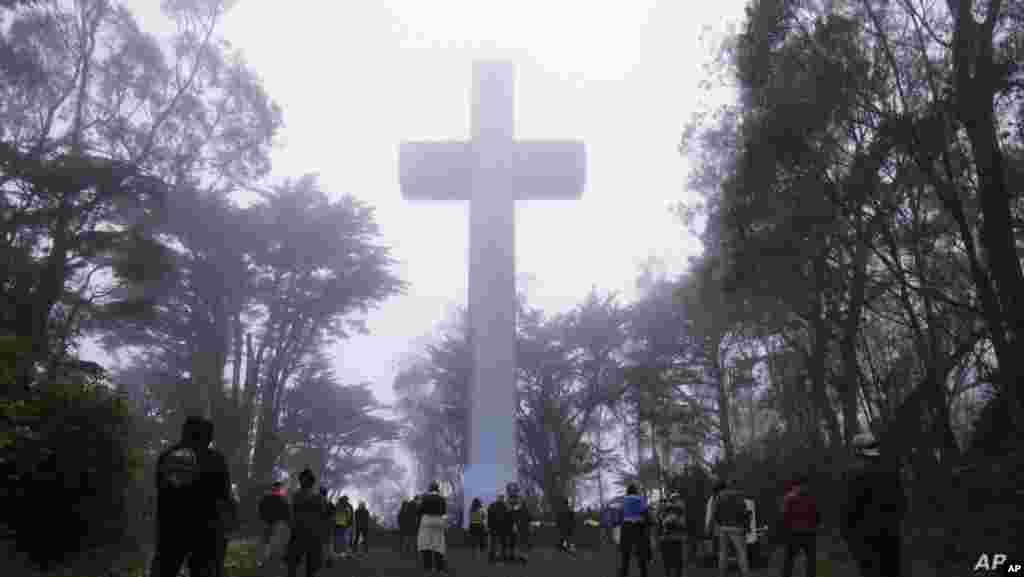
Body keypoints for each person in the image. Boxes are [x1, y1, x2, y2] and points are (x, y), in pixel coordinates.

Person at [151, 416, 232, 577]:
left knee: (165, 568)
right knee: (203, 570)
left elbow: (160, 487)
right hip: (205, 528)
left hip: (171, 525)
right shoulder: (215, 460)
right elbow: (223, 494)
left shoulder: (167, 456)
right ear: (206, 436)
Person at [841, 432, 906, 577]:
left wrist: (849, 537)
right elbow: (902, 505)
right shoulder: (890, 470)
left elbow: (846, 511)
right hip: (890, 536)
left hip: (864, 539)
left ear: (856, 450)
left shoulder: (851, 474)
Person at [705, 479, 751, 577]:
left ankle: (722, 574)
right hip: (737, 527)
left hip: (723, 527)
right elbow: (744, 512)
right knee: (741, 552)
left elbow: (713, 513)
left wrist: (710, 527)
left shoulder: (718, 497)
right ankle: (745, 573)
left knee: (723, 553)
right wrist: (746, 527)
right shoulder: (739, 495)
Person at [287, 469, 328, 577]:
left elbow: (291, 515)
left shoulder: (297, 496)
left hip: (302, 532)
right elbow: (324, 516)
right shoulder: (318, 498)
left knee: (295, 564)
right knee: (308, 566)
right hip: (309, 532)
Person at [780, 476, 819, 577]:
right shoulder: (811, 497)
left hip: (797, 531)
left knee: (790, 559)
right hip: (805, 531)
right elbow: (817, 514)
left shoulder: (789, 497)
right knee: (809, 559)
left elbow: (784, 515)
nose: (804, 488)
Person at [618, 484, 652, 577]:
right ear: (635, 491)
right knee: (641, 553)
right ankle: (644, 574)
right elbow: (645, 512)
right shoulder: (640, 499)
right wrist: (648, 522)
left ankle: (624, 574)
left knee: (626, 554)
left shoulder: (623, 500)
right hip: (638, 526)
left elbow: (620, 514)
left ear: (627, 491)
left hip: (626, 527)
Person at [417, 482, 448, 576]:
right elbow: (444, 512)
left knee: (426, 546)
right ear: (437, 489)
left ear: (430, 488)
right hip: (438, 521)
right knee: (438, 546)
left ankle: (428, 569)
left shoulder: (424, 498)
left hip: (426, 521)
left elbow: (419, 511)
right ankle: (440, 569)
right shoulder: (442, 498)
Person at [258, 482, 291, 569]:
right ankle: (280, 562)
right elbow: (287, 512)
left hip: (267, 522)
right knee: (279, 544)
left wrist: (263, 518)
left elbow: (261, 509)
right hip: (278, 523)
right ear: (279, 489)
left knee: (265, 542)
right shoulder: (283, 499)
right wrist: (287, 522)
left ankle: (262, 561)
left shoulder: (265, 498)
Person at [658, 493, 687, 577]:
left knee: (667, 561)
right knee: (678, 562)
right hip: (676, 539)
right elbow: (683, 525)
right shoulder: (680, 510)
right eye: (678, 499)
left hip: (666, 539)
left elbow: (659, 522)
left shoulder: (663, 509)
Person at [487, 493, 508, 564]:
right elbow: (508, 518)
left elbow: (489, 516)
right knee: (501, 543)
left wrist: (489, 526)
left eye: (502, 498)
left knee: (494, 544)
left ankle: (492, 558)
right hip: (501, 528)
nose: (502, 499)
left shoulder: (492, 505)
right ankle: (501, 558)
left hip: (494, 527)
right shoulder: (505, 506)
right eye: (502, 498)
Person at [333, 495, 354, 560]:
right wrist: (349, 523)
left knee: (338, 539)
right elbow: (349, 516)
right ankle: (344, 553)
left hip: (338, 524)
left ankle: (339, 553)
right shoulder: (347, 506)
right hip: (344, 524)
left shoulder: (337, 505)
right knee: (344, 539)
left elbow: (334, 514)